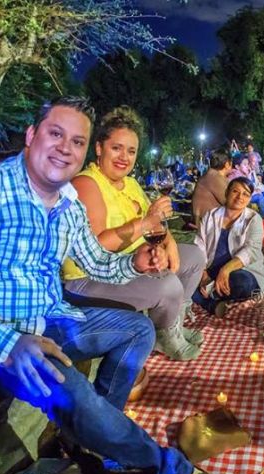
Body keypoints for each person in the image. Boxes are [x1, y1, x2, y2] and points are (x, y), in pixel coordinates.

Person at [0, 96, 252, 474]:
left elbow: (99, 260)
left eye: (76, 141)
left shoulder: (66, 204)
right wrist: (6, 342)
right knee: (77, 396)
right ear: (32, 135)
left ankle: (94, 444)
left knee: (137, 331)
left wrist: (134, 262)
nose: (65, 148)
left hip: (51, 320)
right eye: (55, 134)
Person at [61, 107, 206, 361]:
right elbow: (97, 248)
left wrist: (168, 242)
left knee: (194, 256)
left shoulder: (130, 183)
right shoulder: (86, 184)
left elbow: (155, 223)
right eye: (116, 148)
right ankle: (165, 334)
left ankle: (171, 325)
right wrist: (144, 224)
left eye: (131, 151)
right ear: (99, 148)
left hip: (130, 261)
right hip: (87, 278)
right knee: (168, 284)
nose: (124, 157)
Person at [193, 177, 264, 316]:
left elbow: (251, 251)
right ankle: (213, 304)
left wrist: (226, 270)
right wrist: (203, 274)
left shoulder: (253, 219)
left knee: (243, 282)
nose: (240, 197)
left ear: (249, 198)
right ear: (227, 192)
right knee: (184, 278)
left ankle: (206, 296)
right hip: (211, 271)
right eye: (235, 191)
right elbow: (199, 245)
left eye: (245, 194)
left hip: (239, 271)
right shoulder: (211, 216)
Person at [192, 150, 232, 225]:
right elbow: (231, 203)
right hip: (207, 225)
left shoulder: (210, 175)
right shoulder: (215, 178)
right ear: (227, 164)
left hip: (208, 221)